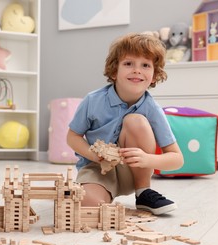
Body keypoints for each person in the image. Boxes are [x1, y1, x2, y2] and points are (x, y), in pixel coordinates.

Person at [67, 33, 184, 215]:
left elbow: (177, 158)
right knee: (87, 205)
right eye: (128, 63)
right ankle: (99, 192)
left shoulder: (151, 108)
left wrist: (148, 160)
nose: (137, 70)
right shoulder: (93, 100)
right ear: (114, 71)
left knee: (135, 121)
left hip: (134, 171)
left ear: (154, 76)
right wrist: (95, 155)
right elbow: (72, 137)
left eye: (145, 65)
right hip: (97, 170)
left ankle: (143, 192)